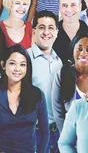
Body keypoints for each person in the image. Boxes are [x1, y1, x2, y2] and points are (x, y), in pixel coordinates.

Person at [0, 44, 50, 153]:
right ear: (3, 65)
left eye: (22, 64)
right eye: (12, 63)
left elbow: (45, 133)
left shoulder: (37, 95)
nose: (17, 69)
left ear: (27, 68)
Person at [27, 10, 63, 152]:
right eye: (42, 27)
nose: (46, 32)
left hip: (57, 132)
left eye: (50, 28)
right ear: (34, 30)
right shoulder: (25, 59)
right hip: (34, 133)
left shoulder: (59, 62)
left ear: (56, 32)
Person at [52, 31, 88, 132]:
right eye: (79, 49)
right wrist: (67, 139)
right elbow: (58, 113)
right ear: (72, 50)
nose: (84, 53)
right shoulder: (61, 75)